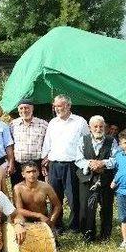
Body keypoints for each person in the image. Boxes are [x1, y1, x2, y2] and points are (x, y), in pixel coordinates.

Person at [41, 95, 90, 233]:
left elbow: (86, 143)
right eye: (55, 106)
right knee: (55, 196)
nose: (57, 108)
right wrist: (44, 159)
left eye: (60, 106)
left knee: (73, 197)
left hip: (72, 165)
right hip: (54, 164)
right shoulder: (52, 123)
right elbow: (47, 143)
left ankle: (75, 225)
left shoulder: (80, 122)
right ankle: (57, 224)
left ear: (68, 106)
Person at [75, 115, 118, 243]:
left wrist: (103, 163)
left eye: (101, 126)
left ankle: (105, 235)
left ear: (105, 127)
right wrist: (91, 164)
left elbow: (115, 159)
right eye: (95, 126)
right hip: (87, 178)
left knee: (106, 207)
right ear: (89, 128)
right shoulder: (83, 140)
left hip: (105, 178)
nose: (98, 129)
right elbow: (78, 159)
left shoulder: (112, 141)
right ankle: (88, 235)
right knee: (86, 207)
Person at [9, 99, 48, 186]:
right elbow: (10, 145)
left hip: (37, 165)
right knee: (18, 191)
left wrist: (46, 159)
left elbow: (50, 143)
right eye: (21, 108)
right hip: (18, 165)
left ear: (32, 108)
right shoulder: (13, 125)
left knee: (38, 192)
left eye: (27, 108)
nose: (24, 111)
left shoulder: (43, 124)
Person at [13, 161, 62, 229]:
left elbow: (57, 205)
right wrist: (38, 215)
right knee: (18, 219)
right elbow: (19, 210)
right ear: (23, 174)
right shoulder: (18, 188)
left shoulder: (46, 187)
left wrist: (51, 221)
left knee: (51, 238)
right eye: (28, 172)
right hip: (25, 218)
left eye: (34, 171)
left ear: (38, 173)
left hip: (43, 219)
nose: (32, 174)